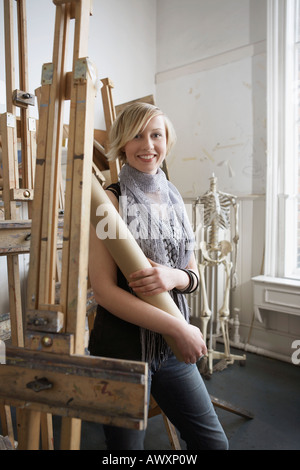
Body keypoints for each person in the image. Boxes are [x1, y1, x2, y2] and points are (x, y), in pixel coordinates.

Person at [88, 102, 228, 451]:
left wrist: (173, 277)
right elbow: (104, 292)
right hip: (123, 350)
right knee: (126, 452)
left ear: (167, 141)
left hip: (168, 350)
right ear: (122, 143)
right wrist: (179, 327)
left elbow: (192, 274)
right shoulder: (110, 202)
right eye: (137, 135)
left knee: (213, 444)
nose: (147, 145)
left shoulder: (174, 197)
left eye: (156, 135)